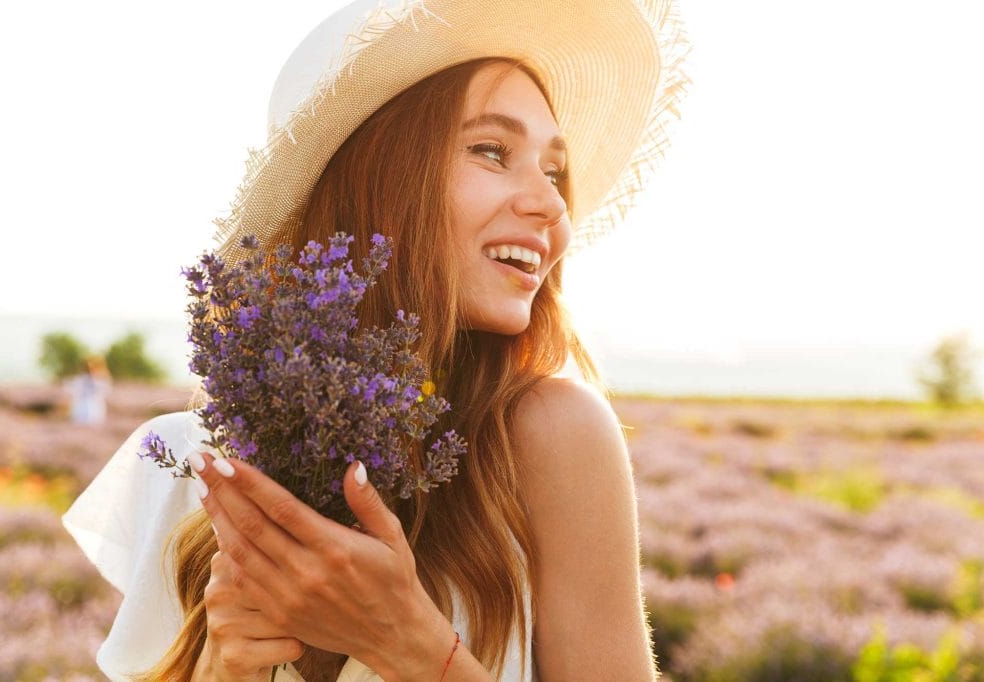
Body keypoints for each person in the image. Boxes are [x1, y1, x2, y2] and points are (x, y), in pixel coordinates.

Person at [62, 1, 690, 680]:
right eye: (492, 151)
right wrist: (226, 667)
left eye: (554, 170)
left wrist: (410, 647)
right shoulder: (198, 464)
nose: (553, 204)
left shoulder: (550, 437)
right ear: (379, 173)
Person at [65, 355, 112, 425]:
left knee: (92, 420)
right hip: (83, 405)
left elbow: (105, 390)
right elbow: (73, 388)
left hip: (94, 405)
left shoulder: (99, 378)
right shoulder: (82, 378)